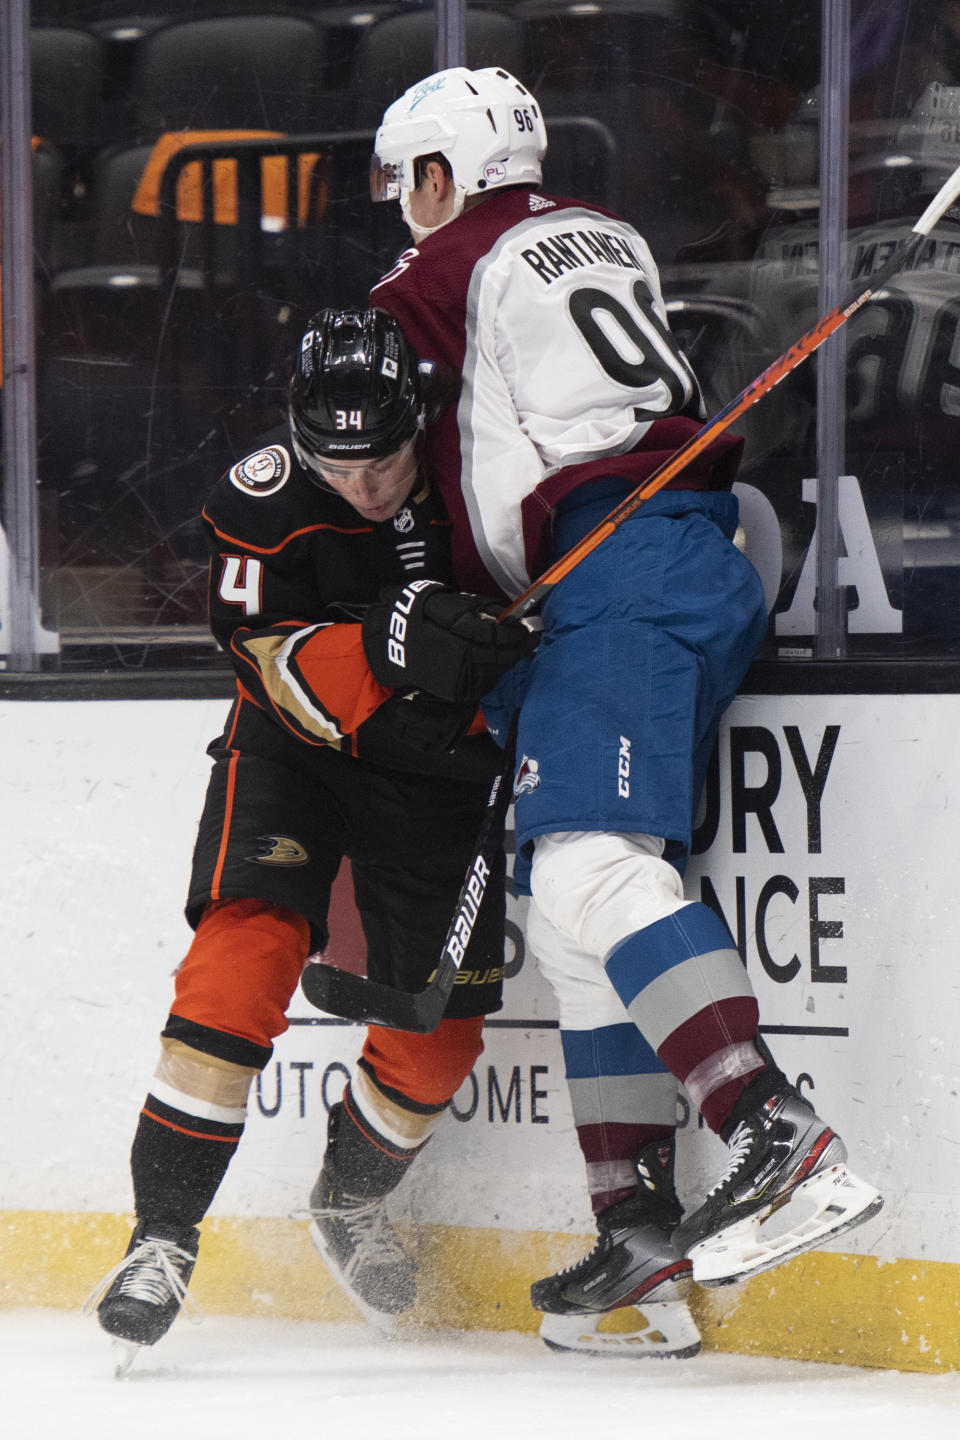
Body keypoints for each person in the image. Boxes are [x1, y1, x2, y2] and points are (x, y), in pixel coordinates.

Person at [366, 65, 884, 1358]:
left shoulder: (446, 269)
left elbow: (372, 403)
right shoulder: (602, 233)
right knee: (563, 899)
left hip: (618, 567)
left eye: (406, 180)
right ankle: (639, 1230)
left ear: (444, 172)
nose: (401, 209)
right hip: (670, 557)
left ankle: (780, 1132)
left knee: (591, 864)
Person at [83, 306, 538, 1364]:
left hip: (435, 779)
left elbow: (527, 624)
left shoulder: (482, 479)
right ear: (296, 430)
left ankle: (347, 1203)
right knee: (238, 964)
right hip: (296, 755)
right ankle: (161, 1239)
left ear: (415, 421)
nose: (367, 486)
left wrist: (493, 656)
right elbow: (270, 664)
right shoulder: (258, 503)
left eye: (383, 459)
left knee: (438, 1040)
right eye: (339, 464)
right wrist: (391, 645)